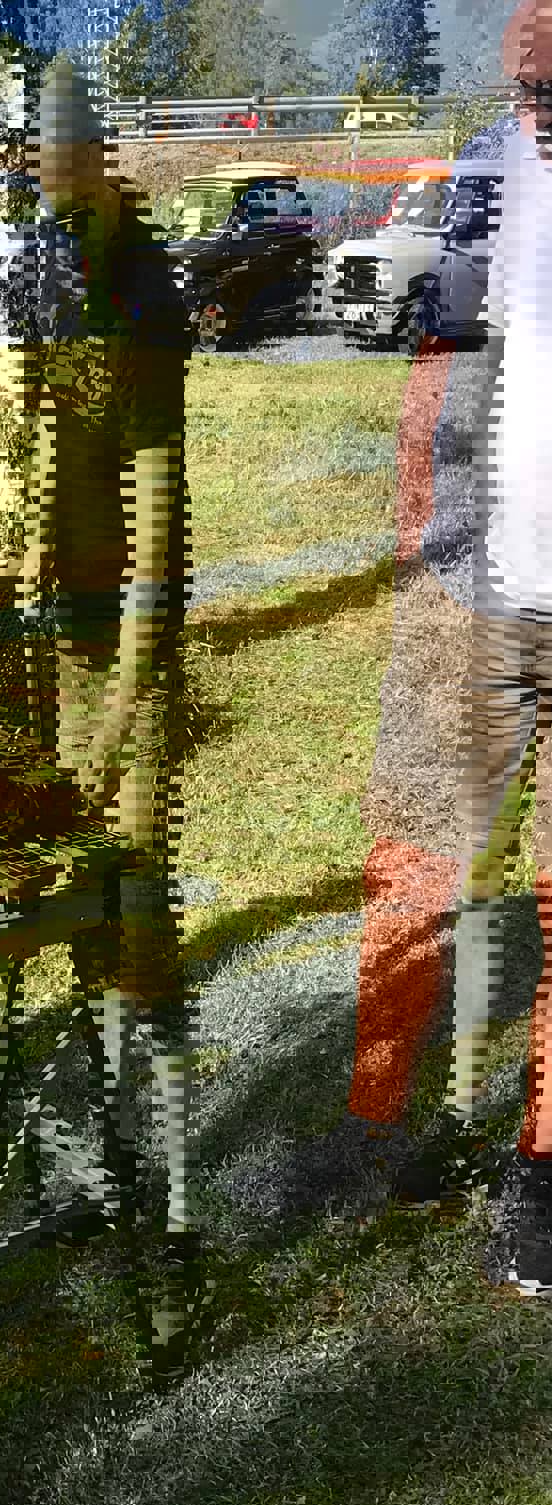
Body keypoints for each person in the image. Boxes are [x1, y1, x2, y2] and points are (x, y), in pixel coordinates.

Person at [332, 0, 552, 1296]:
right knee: (410, 861)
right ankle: (369, 1124)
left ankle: (541, 1172)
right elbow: (441, 355)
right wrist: (422, 530)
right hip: (471, 592)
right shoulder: (485, 165)